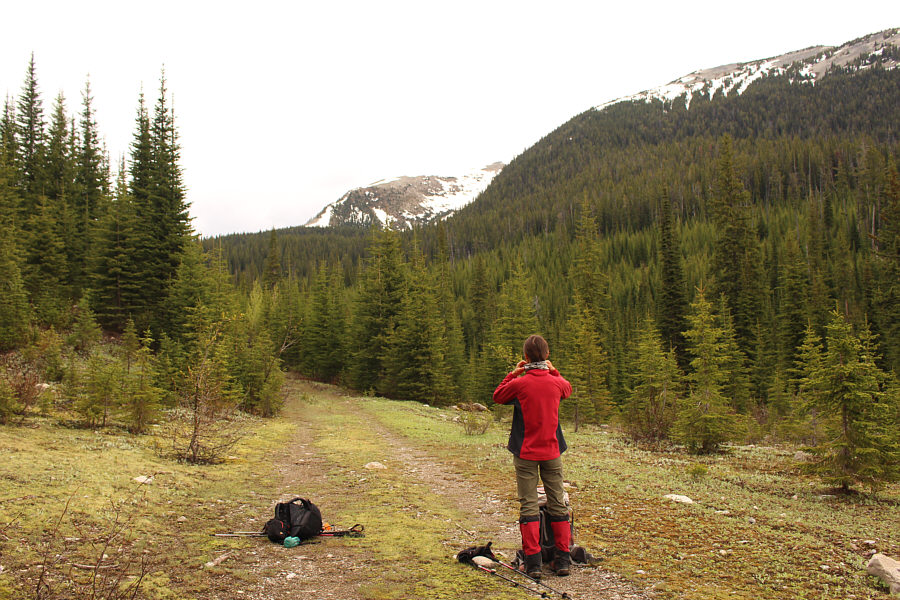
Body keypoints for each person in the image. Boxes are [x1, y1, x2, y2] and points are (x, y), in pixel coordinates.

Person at [492, 334, 573, 578]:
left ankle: (534, 563)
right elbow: (567, 389)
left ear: (525, 358)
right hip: (552, 452)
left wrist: (514, 373)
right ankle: (562, 560)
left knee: (528, 504)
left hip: (526, 453)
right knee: (557, 502)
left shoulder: (520, 383)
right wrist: (555, 371)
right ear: (546, 356)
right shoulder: (556, 382)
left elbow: (498, 396)